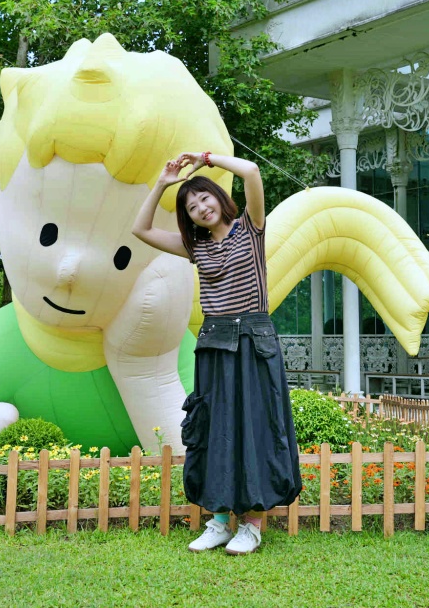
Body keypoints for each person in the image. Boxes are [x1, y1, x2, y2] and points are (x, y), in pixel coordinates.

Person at [132, 150, 302, 555]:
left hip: (254, 342)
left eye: (205, 199)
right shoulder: (196, 247)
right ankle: (221, 521)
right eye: (191, 207)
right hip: (214, 343)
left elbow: (252, 170)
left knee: (255, 427)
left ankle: (253, 525)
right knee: (216, 428)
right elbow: (140, 229)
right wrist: (163, 182)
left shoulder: (251, 227)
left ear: (218, 199)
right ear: (188, 217)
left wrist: (207, 158)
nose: (201, 208)